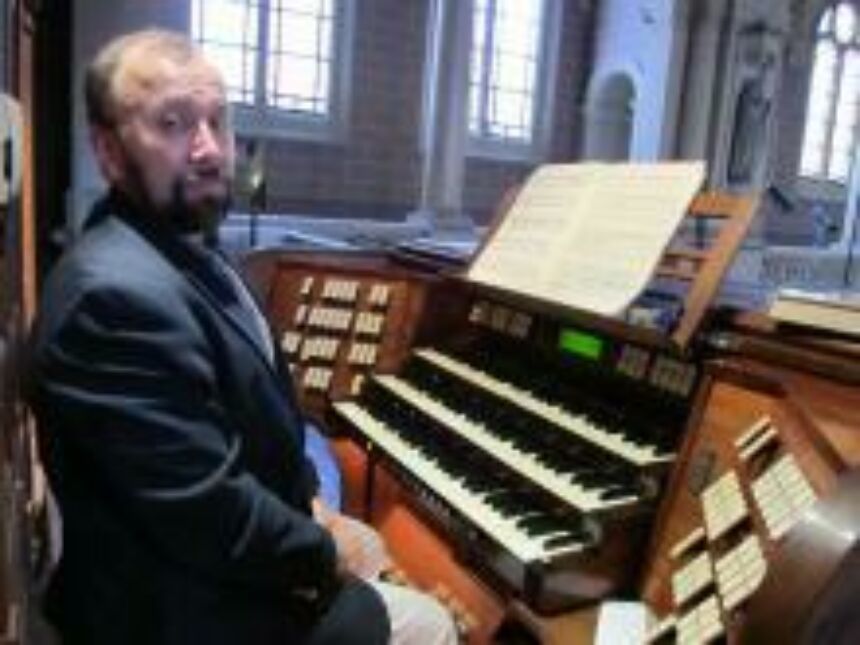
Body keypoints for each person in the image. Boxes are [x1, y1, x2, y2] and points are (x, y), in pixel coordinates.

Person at [27, 29, 457, 645]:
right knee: (433, 624)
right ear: (109, 152)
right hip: (184, 614)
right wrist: (330, 548)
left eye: (218, 121)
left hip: (208, 572)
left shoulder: (183, 246)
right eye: (172, 123)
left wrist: (313, 505)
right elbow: (212, 517)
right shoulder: (112, 299)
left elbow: (261, 426)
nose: (208, 148)